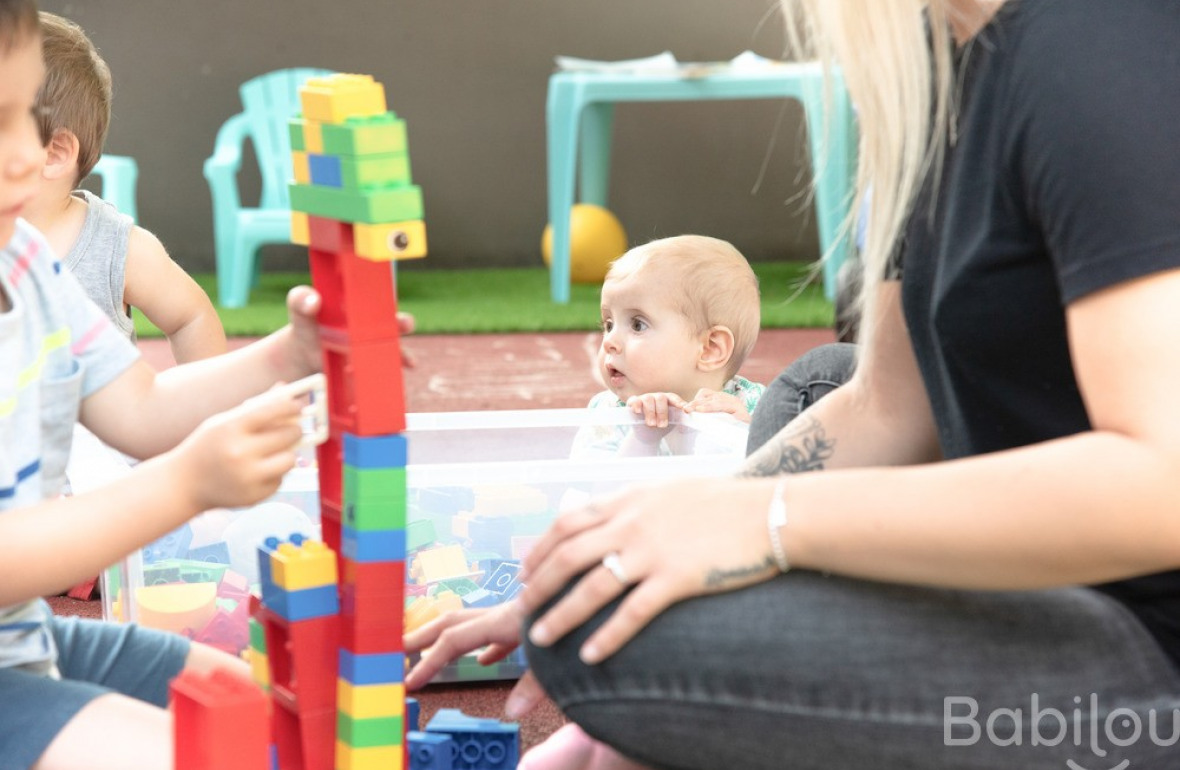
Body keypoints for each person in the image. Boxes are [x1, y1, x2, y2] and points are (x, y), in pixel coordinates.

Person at [406, 1, 1180, 768]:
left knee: (603, 640)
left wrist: (765, 521)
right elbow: (887, 404)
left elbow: (1163, 488)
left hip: (1146, 641)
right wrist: (630, 546)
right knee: (815, 382)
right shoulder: (931, 80)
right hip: (1038, 562)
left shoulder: (1093, 47)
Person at [1, 6, 399, 767]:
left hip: (22, 637)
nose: (32, 151)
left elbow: (142, 409)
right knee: (193, 752)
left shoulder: (27, 264)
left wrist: (290, 354)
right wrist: (188, 484)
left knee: (265, 716)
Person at [24, 11, 225, 364]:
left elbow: (190, 317)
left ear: (53, 153)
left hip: (95, 417)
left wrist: (205, 410)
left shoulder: (113, 249)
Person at [573, 235, 765, 459]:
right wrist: (643, 440)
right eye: (608, 324)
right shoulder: (609, 412)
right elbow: (597, 491)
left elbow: (785, 483)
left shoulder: (755, 407)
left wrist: (744, 435)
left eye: (637, 325)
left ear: (709, 349)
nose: (609, 341)